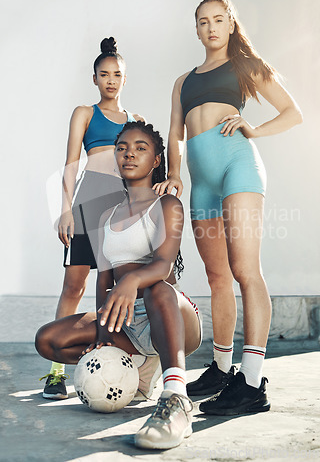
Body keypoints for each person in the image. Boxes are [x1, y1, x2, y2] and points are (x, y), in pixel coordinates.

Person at [153, 0, 303, 415]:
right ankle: (222, 371)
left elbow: (294, 112)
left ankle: (252, 384)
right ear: (196, 29)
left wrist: (254, 130)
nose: (211, 27)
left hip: (239, 168)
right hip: (201, 183)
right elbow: (175, 132)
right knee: (217, 276)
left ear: (231, 24)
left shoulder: (245, 66)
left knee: (244, 271)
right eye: (203, 21)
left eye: (219, 20)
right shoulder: (183, 81)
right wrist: (175, 173)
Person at [36, 121, 202, 450]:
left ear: (157, 160)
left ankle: (176, 398)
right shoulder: (105, 216)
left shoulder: (167, 205)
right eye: (123, 148)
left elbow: (164, 263)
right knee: (48, 340)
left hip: (170, 313)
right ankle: (136, 367)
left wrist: (132, 281)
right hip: (125, 322)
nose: (129, 154)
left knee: (158, 289)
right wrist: (102, 335)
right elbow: (103, 278)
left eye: (141, 148)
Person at [40, 37, 146, 400]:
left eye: (117, 75)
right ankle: (55, 373)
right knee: (74, 285)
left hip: (123, 208)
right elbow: (71, 162)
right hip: (89, 201)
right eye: (104, 75)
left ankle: (112, 362)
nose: (111, 81)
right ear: (95, 78)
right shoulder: (85, 112)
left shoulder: (137, 121)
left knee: (114, 289)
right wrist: (65, 209)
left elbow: (146, 170)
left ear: (125, 79)